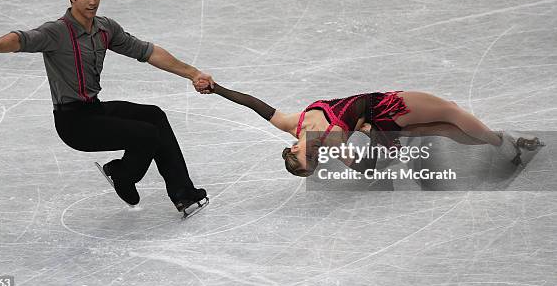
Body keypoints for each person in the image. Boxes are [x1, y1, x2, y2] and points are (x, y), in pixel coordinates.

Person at [0, 0, 213, 217]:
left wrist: (192, 73)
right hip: (73, 123)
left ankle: (184, 194)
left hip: (95, 109)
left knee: (155, 116)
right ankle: (122, 174)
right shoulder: (56, 32)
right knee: (146, 135)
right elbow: (21, 39)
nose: (92, 1)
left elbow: (149, 52)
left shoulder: (105, 28)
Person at [198, 83, 543, 177]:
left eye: (306, 158)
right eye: (314, 164)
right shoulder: (330, 144)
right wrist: (367, 138)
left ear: (292, 149)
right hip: (386, 108)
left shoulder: (293, 124)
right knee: (450, 112)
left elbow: (253, 104)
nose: (316, 158)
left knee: (445, 127)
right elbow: (367, 166)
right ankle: (506, 144)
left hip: (380, 120)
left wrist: (218, 89)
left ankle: (505, 145)